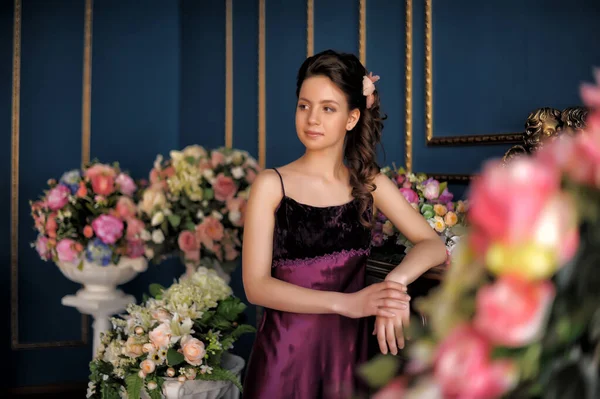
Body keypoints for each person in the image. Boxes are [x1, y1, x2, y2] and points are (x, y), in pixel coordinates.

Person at [241, 49, 447, 398]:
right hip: (284, 358)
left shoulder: (369, 184)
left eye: (328, 108)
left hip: (348, 356)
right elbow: (256, 287)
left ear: (352, 118)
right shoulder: (271, 185)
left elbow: (433, 245)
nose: (312, 119)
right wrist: (347, 303)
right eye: (304, 105)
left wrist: (393, 285)